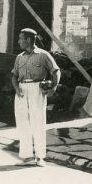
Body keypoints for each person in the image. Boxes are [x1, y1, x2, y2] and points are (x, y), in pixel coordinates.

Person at [11, 28, 60, 167]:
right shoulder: (19, 57)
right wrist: (16, 89)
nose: (18, 41)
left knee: (38, 122)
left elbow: (56, 71)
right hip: (21, 90)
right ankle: (27, 157)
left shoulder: (43, 55)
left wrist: (54, 87)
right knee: (22, 122)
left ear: (28, 40)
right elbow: (14, 76)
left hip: (37, 89)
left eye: (21, 38)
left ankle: (40, 157)